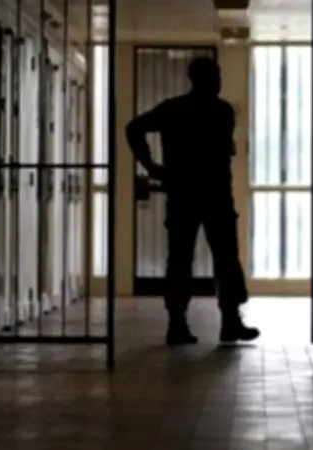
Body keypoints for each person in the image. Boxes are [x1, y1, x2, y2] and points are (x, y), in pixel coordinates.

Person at [125, 57, 260, 346]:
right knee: (224, 258)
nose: (219, 81)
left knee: (181, 258)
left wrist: (151, 166)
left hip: (184, 193)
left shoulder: (174, 109)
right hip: (215, 194)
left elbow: (134, 128)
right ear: (203, 79)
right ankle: (229, 321)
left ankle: (179, 323)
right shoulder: (221, 111)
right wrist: (152, 166)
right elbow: (225, 149)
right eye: (215, 76)